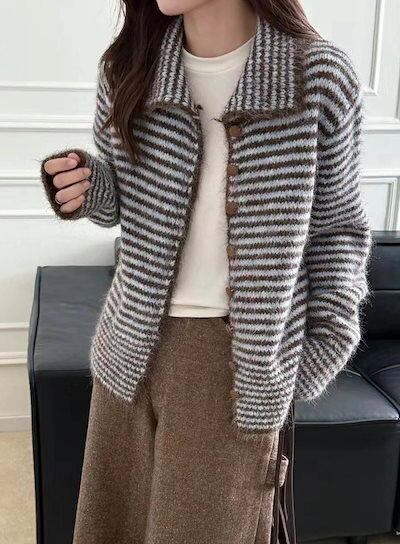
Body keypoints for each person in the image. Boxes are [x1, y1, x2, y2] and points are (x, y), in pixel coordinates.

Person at [39, 0, 373, 542]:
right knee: (110, 529)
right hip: (128, 351)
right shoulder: (129, 66)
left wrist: (322, 347)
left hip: (232, 366)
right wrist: (87, 188)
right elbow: (126, 200)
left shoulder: (317, 77)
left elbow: (339, 230)